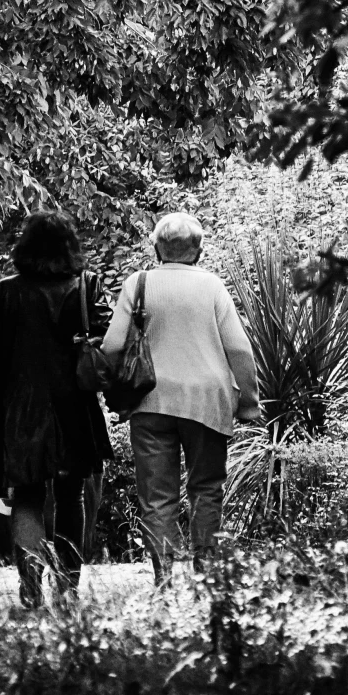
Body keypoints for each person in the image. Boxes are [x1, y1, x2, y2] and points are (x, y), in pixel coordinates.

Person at [100, 211, 261, 588]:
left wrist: (114, 390)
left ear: (156, 248)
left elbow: (110, 347)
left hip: (150, 403)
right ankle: (206, 572)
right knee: (206, 488)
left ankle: (164, 577)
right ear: (199, 250)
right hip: (207, 402)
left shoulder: (136, 284)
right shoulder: (212, 287)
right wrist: (249, 400)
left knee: (157, 496)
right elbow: (239, 349)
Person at [0, 212, 110, 610]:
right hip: (74, 407)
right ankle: (68, 585)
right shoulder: (86, 288)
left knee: (27, 498)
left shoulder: (0, 294)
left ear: (25, 247)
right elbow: (106, 344)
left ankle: (30, 581)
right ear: (71, 247)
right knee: (71, 498)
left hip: (18, 410)